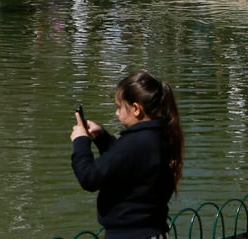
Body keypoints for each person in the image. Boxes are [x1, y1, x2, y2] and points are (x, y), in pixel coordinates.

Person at [70, 71, 184, 239]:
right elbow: (130, 161)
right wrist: (101, 137)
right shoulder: (159, 136)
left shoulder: (135, 142)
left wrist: (80, 141)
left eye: (119, 107)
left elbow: (89, 177)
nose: (116, 113)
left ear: (136, 109)